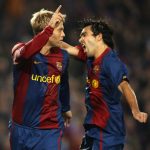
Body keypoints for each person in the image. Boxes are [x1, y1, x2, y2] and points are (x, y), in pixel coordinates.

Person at [60, 18, 148, 150]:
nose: (80, 39)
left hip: (107, 133)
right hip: (93, 131)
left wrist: (135, 110)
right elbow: (69, 48)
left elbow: (125, 86)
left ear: (99, 37)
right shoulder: (90, 57)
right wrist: (47, 38)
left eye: (84, 34)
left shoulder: (110, 62)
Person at [9, 5, 72, 150]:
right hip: (21, 128)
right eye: (60, 30)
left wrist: (66, 106)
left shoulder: (63, 56)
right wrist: (48, 29)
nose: (63, 35)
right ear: (47, 30)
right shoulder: (20, 50)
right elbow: (24, 53)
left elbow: (63, 82)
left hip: (50, 130)